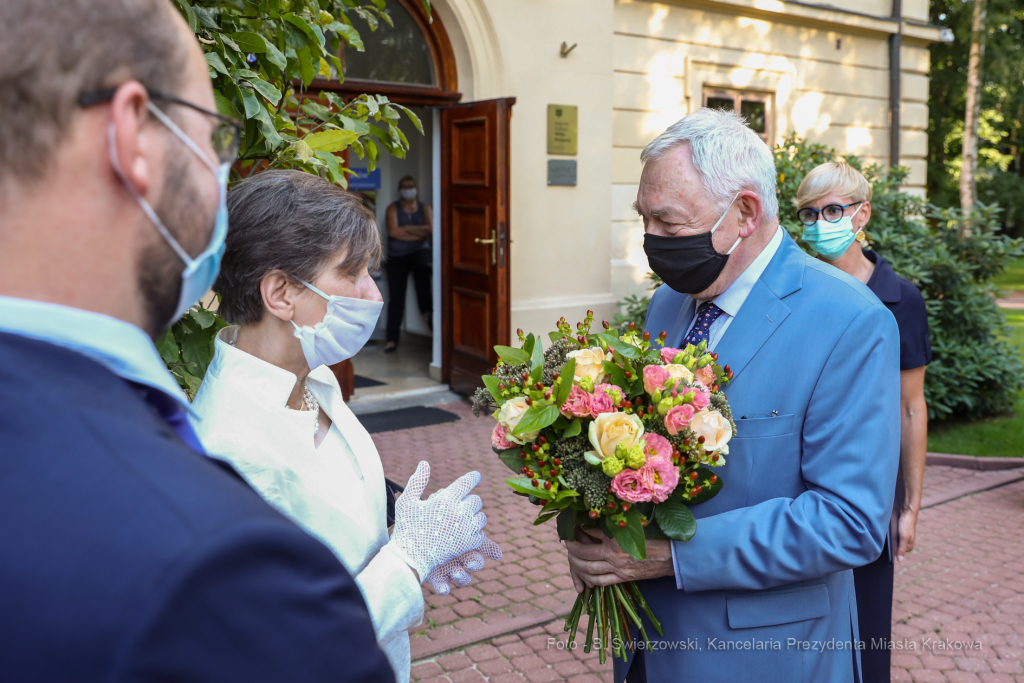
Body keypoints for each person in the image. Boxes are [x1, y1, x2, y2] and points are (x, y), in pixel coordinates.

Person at [0, 1, 395, 681]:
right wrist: (407, 565)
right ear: (132, 136)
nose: (218, 172)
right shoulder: (208, 544)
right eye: (213, 137)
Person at [564, 108, 901, 683]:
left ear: (744, 212)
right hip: (647, 645)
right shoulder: (668, 303)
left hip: (765, 656)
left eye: (668, 224)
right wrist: (595, 518)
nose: (653, 241)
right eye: (644, 220)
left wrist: (670, 556)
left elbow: (850, 521)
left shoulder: (850, 320)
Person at [188, 170, 501, 683]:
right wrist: (408, 563)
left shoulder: (316, 383)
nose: (373, 295)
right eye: (352, 273)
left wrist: (409, 537)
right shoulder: (231, 447)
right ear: (281, 293)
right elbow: (283, 642)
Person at [797, 161, 931, 683]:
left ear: (862, 214)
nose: (819, 222)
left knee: (866, 629)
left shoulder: (901, 300)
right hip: (801, 483)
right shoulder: (798, 291)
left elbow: (910, 407)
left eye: (832, 209)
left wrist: (910, 508)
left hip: (869, 492)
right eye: (809, 213)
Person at [383, 175, 433, 353]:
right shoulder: (393, 208)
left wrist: (405, 228)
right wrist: (419, 234)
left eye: (410, 186)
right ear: (399, 190)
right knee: (396, 298)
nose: (408, 189)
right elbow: (394, 232)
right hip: (397, 256)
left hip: (420, 254)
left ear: (416, 189)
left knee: (424, 288)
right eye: (404, 186)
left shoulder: (424, 207)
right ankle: (391, 340)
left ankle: (431, 323)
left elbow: (431, 229)